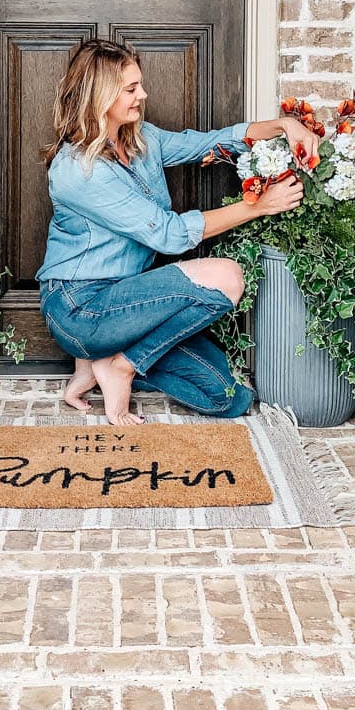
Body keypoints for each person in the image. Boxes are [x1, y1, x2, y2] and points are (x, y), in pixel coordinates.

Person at [36, 39, 320, 426]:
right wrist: (259, 204)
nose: (143, 95)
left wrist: (285, 125)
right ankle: (118, 363)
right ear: (100, 95)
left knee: (228, 397)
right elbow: (168, 236)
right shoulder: (79, 171)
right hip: (81, 308)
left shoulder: (139, 138)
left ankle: (101, 363)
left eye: (140, 85)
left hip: (134, 307)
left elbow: (208, 142)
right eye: (131, 89)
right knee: (227, 276)